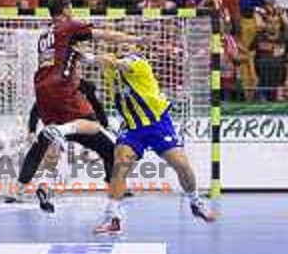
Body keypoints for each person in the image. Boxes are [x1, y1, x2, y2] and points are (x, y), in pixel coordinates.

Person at [16, 0, 144, 212]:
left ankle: (44, 186)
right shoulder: (68, 26)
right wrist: (135, 40)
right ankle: (114, 197)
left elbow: (84, 57)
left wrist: (107, 61)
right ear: (66, 9)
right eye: (71, 8)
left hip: (42, 91)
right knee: (96, 129)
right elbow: (103, 34)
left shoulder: (46, 36)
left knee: (55, 147)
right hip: (61, 88)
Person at [90, 44, 217, 234]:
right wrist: (76, 53)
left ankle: (195, 202)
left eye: (130, 46)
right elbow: (91, 60)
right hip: (132, 127)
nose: (125, 47)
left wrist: (103, 58)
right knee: (120, 165)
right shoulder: (111, 69)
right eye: (121, 46)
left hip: (157, 124)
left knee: (181, 165)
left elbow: (120, 63)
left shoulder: (138, 63)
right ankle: (113, 219)